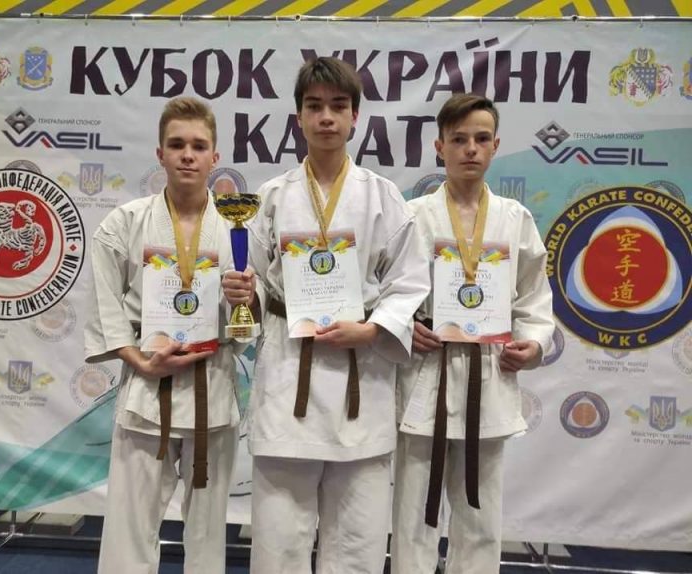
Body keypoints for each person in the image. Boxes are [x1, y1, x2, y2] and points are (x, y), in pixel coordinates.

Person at [223, 56, 431, 573]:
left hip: (361, 383)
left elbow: (409, 281)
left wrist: (372, 328)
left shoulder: (382, 196)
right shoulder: (271, 197)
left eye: (338, 106)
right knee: (279, 544)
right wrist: (244, 294)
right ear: (298, 117)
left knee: (357, 544)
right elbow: (254, 282)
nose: (326, 118)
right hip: (288, 375)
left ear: (355, 116)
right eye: (314, 107)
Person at [391, 93, 555, 573]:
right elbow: (385, 290)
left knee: (480, 517)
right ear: (439, 146)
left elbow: (533, 297)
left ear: (495, 145)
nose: (470, 149)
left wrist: (534, 343)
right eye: (459, 139)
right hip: (426, 374)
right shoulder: (412, 215)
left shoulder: (514, 218)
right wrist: (404, 326)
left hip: (489, 374)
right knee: (413, 516)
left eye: (481, 139)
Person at [84, 96, 239, 574]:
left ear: (215, 156)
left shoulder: (237, 229)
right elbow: (104, 304)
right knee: (129, 528)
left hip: (212, 387)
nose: (187, 155)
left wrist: (246, 300)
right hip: (147, 388)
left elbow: (249, 321)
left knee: (208, 535)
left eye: (198, 146)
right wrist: (139, 361)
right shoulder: (124, 223)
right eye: (177, 145)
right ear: (160, 154)